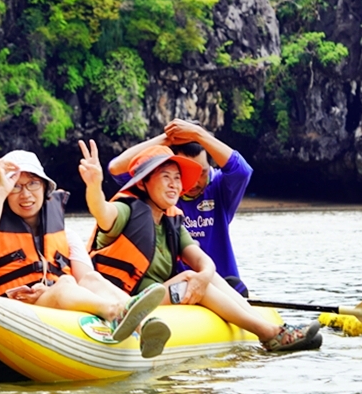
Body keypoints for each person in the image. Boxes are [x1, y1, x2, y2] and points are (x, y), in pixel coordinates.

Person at [80, 140, 321, 353]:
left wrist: (204, 276)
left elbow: (202, 260)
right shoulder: (126, 210)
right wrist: (94, 187)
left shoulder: (172, 219)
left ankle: (271, 328)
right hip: (127, 299)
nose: (175, 185)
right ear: (143, 184)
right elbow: (102, 211)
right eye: (166, 177)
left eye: (177, 178)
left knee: (206, 276)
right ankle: (268, 335)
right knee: (189, 279)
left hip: (158, 296)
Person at [0, 150, 165, 345]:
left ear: (45, 188)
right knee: (66, 282)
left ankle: (142, 323)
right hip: (9, 311)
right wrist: (1, 192)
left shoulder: (67, 236)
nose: (25, 194)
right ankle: (115, 312)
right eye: (16, 187)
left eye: (33, 184)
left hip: (51, 307)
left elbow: (87, 281)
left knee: (91, 278)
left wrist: (44, 290)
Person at [108, 119, 251, 294]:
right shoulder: (164, 195)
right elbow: (116, 168)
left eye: (203, 172)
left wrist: (199, 134)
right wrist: (167, 139)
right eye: (187, 173)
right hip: (176, 288)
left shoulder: (220, 188)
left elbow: (242, 171)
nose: (196, 181)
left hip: (222, 285)